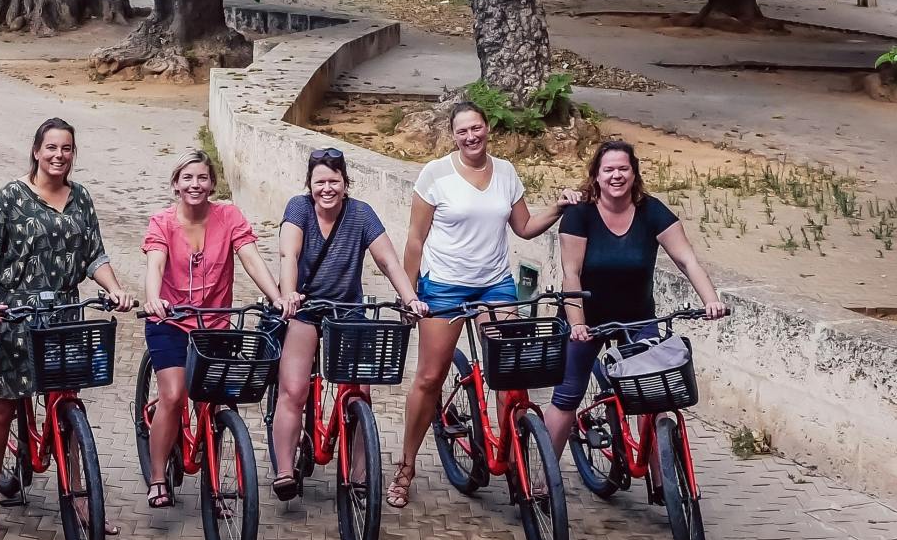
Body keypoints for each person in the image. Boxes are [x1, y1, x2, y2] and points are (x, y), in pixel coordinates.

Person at [393, 100, 578, 508]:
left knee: (510, 375)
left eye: (476, 128)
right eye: (462, 131)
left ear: (487, 127)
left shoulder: (506, 172)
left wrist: (558, 208)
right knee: (430, 377)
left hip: (495, 285)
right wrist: (409, 295)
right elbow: (415, 240)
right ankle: (406, 467)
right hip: (444, 286)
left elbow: (524, 227)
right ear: (453, 135)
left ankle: (515, 464)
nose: (471, 136)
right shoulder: (435, 174)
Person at [0, 118, 136, 540]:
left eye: (66, 148)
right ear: (36, 151)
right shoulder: (11, 197)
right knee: (3, 407)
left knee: (68, 401)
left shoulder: (81, 198)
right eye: (51, 147)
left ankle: (81, 498)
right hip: (15, 315)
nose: (59, 155)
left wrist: (115, 288)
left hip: (64, 314)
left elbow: (94, 255)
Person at [545, 141, 728, 455]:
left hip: (638, 318)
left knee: (653, 398)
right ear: (596, 175)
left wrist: (711, 300)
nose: (616, 176)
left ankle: (663, 476)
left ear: (634, 173)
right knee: (567, 397)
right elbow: (571, 273)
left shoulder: (650, 210)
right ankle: (544, 473)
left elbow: (687, 260)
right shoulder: (580, 213)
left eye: (623, 169)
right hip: (587, 319)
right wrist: (577, 324)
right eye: (608, 170)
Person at [268, 147, 427, 501]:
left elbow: (388, 261)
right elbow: (288, 254)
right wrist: (289, 294)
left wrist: (409, 298)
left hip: (347, 310)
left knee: (361, 392)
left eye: (334, 181)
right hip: (306, 308)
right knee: (293, 389)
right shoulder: (299, 208)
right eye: (320, 182)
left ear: (345, 182)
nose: (327, 189)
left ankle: (359, 476)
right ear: (309, 184)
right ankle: (284, 470)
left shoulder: (360, 214)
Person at [139, 152, 293, 508]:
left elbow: (251, 257)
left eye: (202, 178)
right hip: (170, 322)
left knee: (217, 400)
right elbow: (155, 264)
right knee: (174, 395)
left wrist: (277, 298)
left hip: (214, 325)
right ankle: (158, 476)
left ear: (212, 184)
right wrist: (153, 299)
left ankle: (214, 479)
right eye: (187, 178)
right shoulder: (162, 222)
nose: (195, 185)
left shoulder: (229, 216)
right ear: (176, 184)